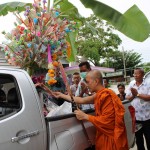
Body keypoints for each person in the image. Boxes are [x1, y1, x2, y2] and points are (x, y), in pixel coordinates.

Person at [53, 70, 128, 150]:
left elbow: (109, 122)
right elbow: (80, 100)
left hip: (111, 139)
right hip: (103, 136)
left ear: (96, 81)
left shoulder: (107, 95)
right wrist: (61, 95)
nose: (87, 85)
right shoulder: (99, 95)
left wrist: (86, 116)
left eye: (88, 82)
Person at [126, 68, 150, 150]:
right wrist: (133, 95)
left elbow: (149, 97)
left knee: (149, 139)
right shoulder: (131, 84)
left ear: (143, 75)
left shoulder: (148, 83)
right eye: (134, 74)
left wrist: (138, 94)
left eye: (137, 73)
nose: (135, 75)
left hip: (147, 118)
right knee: (139, 140)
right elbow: (128, 98)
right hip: (135, 118)